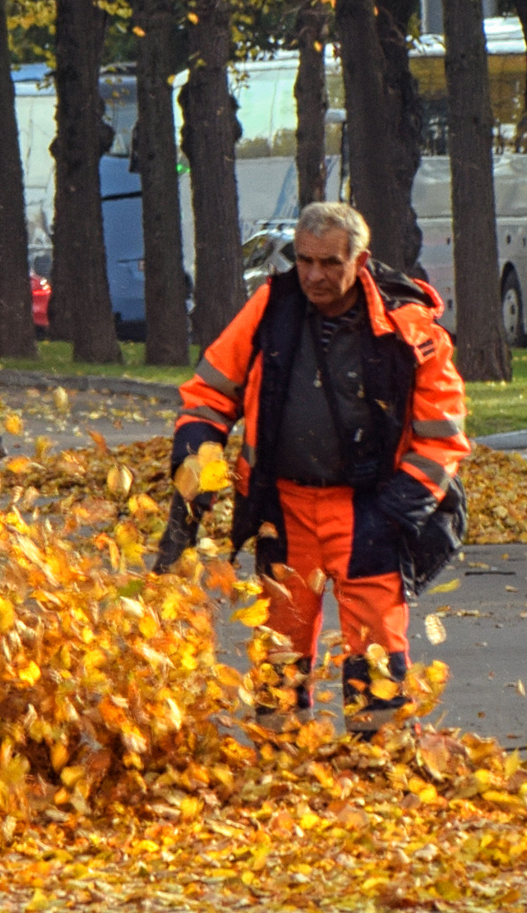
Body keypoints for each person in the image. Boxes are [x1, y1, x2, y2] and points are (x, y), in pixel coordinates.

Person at [167, 199, 467, 731]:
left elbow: (442, 434)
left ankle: (378, 758)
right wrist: (194, 469)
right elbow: (208, 397)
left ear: (360, 261)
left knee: (376, 648)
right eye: (304, 260)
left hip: (367, 507)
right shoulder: (272, 306)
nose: (314, 275)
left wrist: (395, 510)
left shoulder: (406, 324)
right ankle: (280, 752)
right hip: (283, 504)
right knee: (279, 647)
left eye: (330, 263)